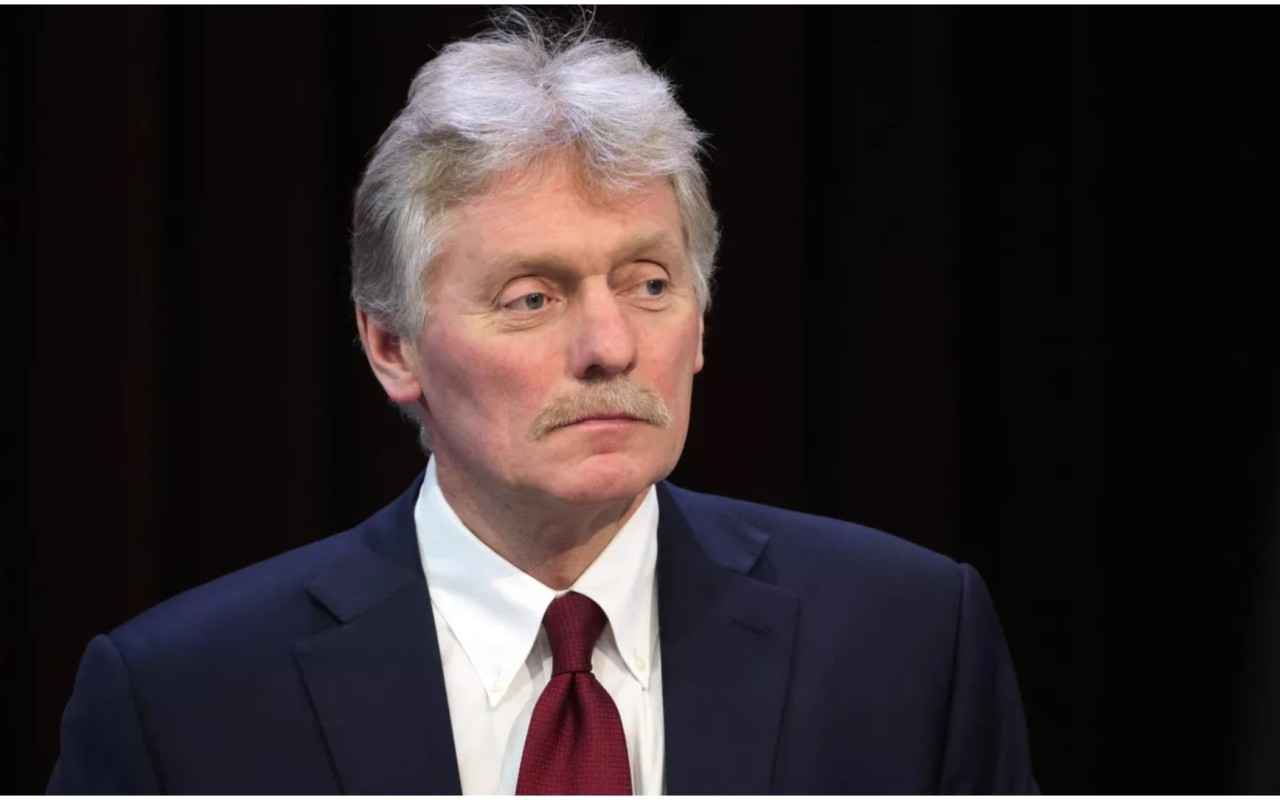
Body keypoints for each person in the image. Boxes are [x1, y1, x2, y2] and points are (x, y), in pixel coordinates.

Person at [49, 12, 1037, 795]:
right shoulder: (181, 697)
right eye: (533, 297)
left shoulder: (909, 641)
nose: (610, 346)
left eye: (649, 283)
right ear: (391, 346)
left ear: (699, 322)